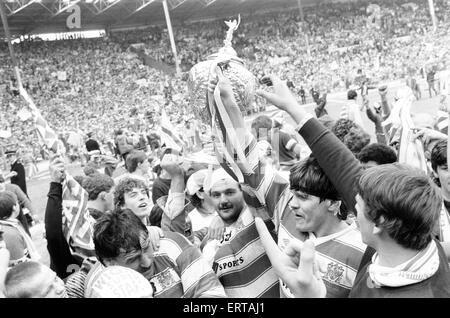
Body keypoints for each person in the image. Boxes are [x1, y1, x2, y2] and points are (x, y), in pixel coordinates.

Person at [254, 74, 450, 298]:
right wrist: (293, 108)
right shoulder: (426, 249)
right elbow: (344, 168)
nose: (352, 212)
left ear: (380, 223)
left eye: (358, 207)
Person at [87, 208, 226, 298]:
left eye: (147, 247)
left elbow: (212, 294)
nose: (147, 262)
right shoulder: (98, 286)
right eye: (132, 259)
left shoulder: (172, 245)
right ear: (108, 262)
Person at [0, 191, 40, 267]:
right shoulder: (10, 234)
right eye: (18, 203)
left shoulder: (12, 224)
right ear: (14, 207)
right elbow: (20, 266)